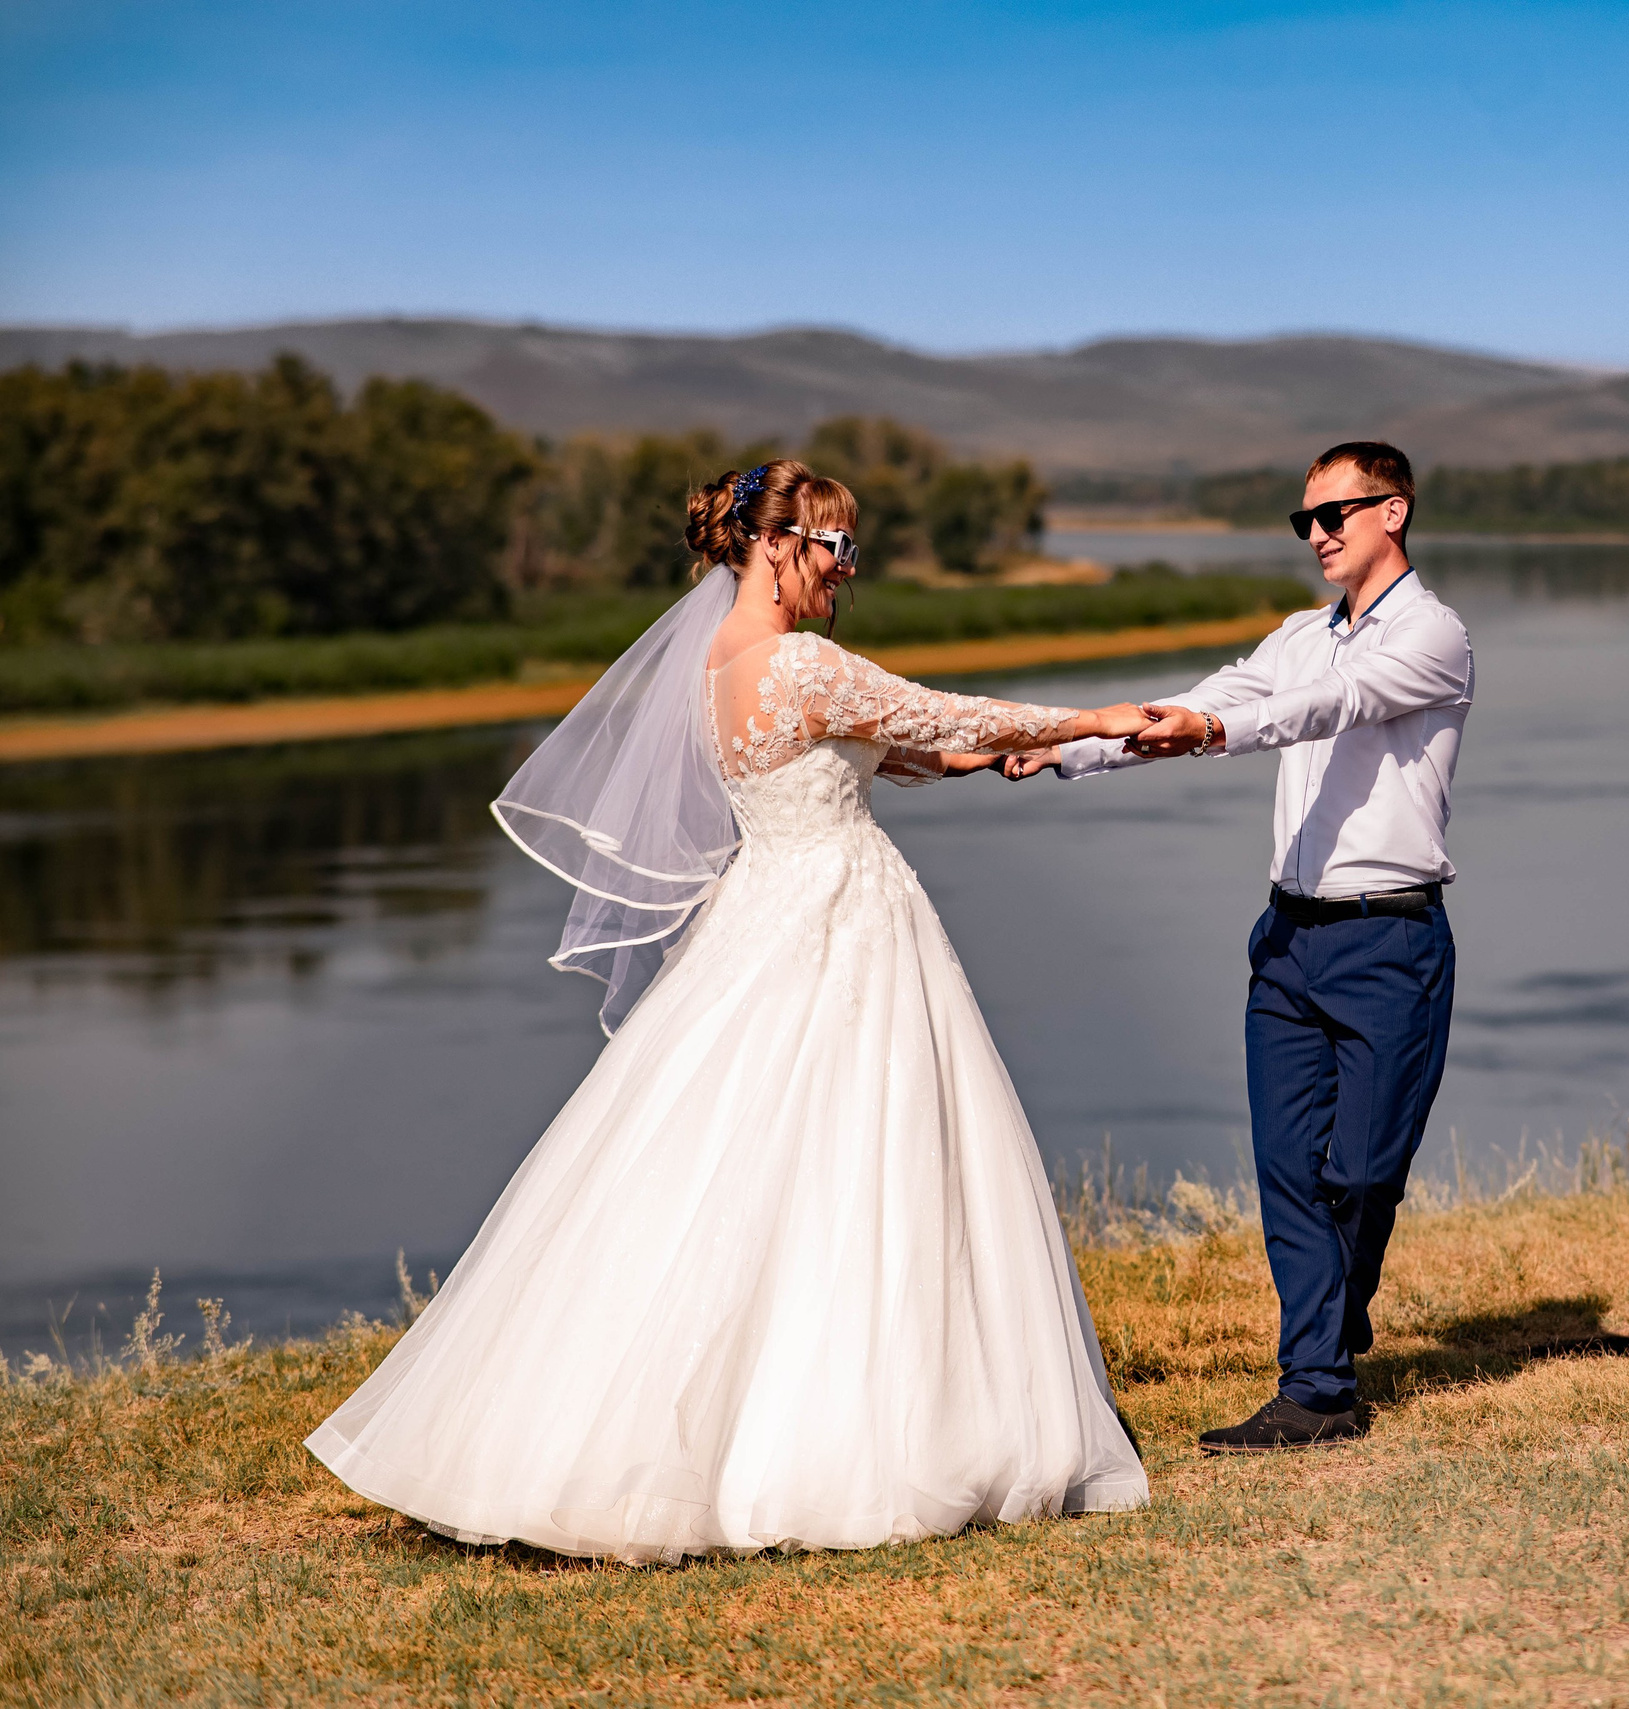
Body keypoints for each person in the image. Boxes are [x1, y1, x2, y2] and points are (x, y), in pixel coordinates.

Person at [306, 459, 1153, 1563]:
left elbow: (898, 750)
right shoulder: (802, 660)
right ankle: (849, 1438)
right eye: (836, 547)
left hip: (763, 906)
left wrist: (988, 757)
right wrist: (1099, 713)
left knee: (736, 1154)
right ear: (777, 545)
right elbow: (941, 710)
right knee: (856, 1153)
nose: (849, 570)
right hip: (839, 913)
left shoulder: (718, 663)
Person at [1004, 441, 1473, 1453]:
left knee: (1360, 1174)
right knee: (1288, 1173)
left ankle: (1331, 1331)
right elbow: (1211, 695)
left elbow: (1326, 707)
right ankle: (1316, 1386)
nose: (1316, 533)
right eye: (1304, 519)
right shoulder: (1297, 635)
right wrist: (1067, 746)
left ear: (1393, 511)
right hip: (1289, 941)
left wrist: (1217, 733)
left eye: (1336, 513)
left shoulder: (1434, 635)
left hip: (1391, 941)